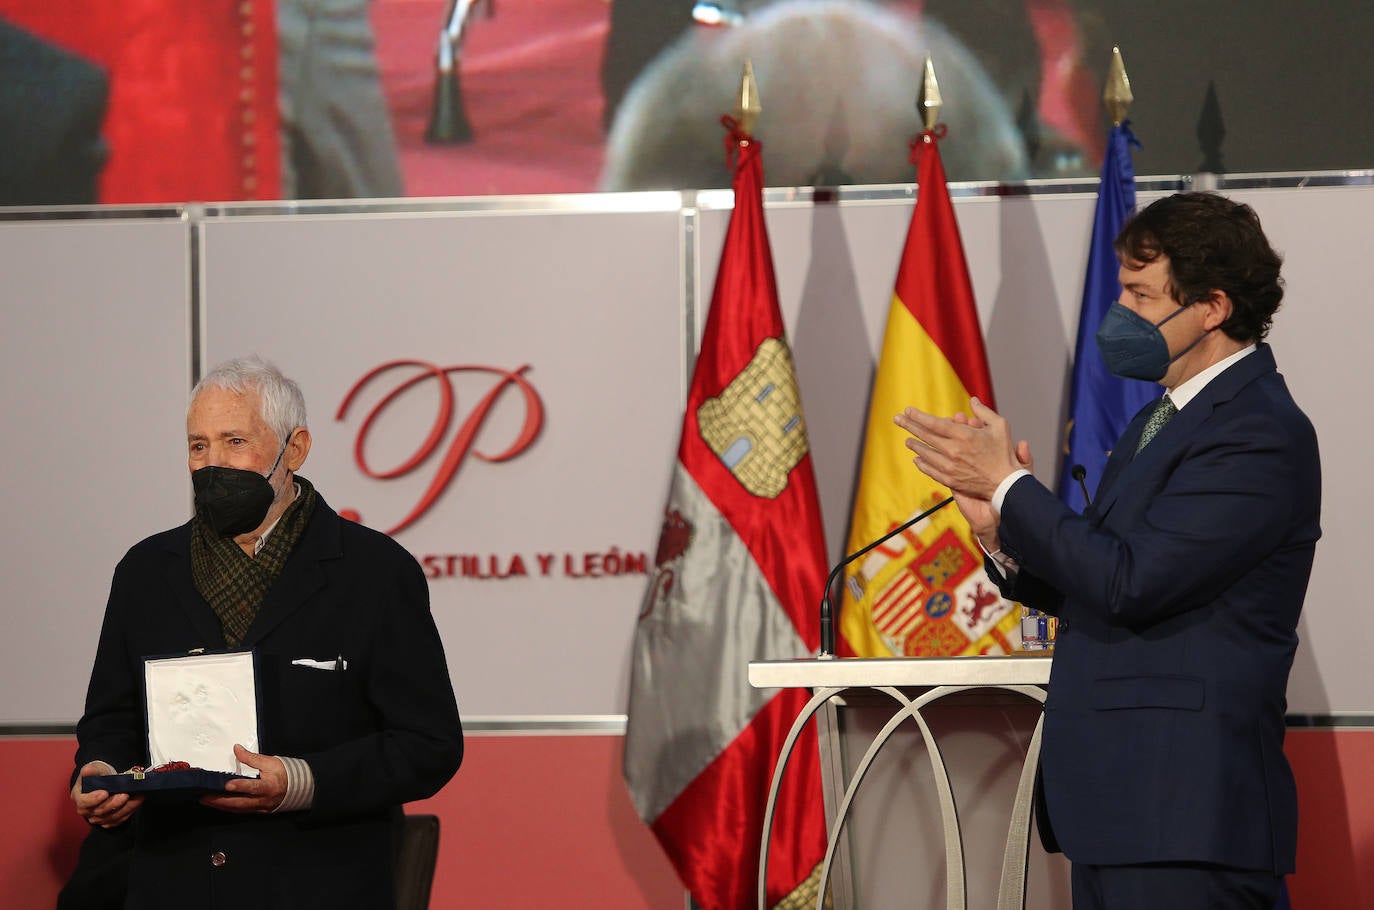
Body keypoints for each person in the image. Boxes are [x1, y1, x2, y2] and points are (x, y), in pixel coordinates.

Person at [894, 191, 1320, 909]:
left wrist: (1010, 484)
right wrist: (1000, 529)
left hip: (1185, 817)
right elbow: (1096, 579)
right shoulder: (1161, 419)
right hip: (1121, 814)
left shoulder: (1257, 431)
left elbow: (1133, 581)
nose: (1118, 313)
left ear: (1213, 307)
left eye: (1140, 294)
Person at [69, 356, 463, 909]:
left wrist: (302, 781)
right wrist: (101, 770)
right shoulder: (145, 571)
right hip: (173, 884)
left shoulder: (375, 572)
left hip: (318, 885)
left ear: (294, 450)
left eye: (235, 442)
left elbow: (430, 746)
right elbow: (110, 719)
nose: (212, 464)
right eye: (198, 445)